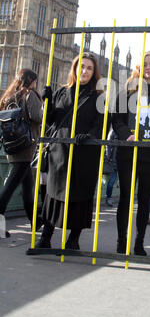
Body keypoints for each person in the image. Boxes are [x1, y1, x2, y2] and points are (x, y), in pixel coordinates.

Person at [37, 52, 106, 249]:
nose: (84, 71)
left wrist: (90, 136)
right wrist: (47, 103)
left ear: (94, 73)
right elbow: (50, 121)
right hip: (60, 151)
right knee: (53, 194)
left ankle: (73, 239)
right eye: (81, 66)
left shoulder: (98, 97)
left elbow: (101, 124)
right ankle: (46, 237)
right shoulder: (61, 92)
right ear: (74, 68)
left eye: (89, 68)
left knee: (81, 196)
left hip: (84, 153)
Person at [112, 51, 150, 256]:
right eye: (144, 64)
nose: (148, 68)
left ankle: (139, 242)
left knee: (145, 199)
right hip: (129, 152)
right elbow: (116, 119)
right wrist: (126, 134)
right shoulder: (128, 90)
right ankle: (121, 241)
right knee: (126, 198)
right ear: (138, 67)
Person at [0, 69, 43, 237]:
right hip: (26, 146)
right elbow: (37, 117)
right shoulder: (30, 95)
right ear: (31, 81)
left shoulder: (9, 96)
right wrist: (44, 108)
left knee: (27, 186)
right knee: (10, 188)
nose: (36, 84)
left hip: (12, 146)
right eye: (35, 81)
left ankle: (35, 221)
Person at [104, 129, 118, 207]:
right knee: (111, 182)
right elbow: (108, 144)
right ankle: (108, 197)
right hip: (114, 161)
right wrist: (109, 157)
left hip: (123, 161)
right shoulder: (113, 131)